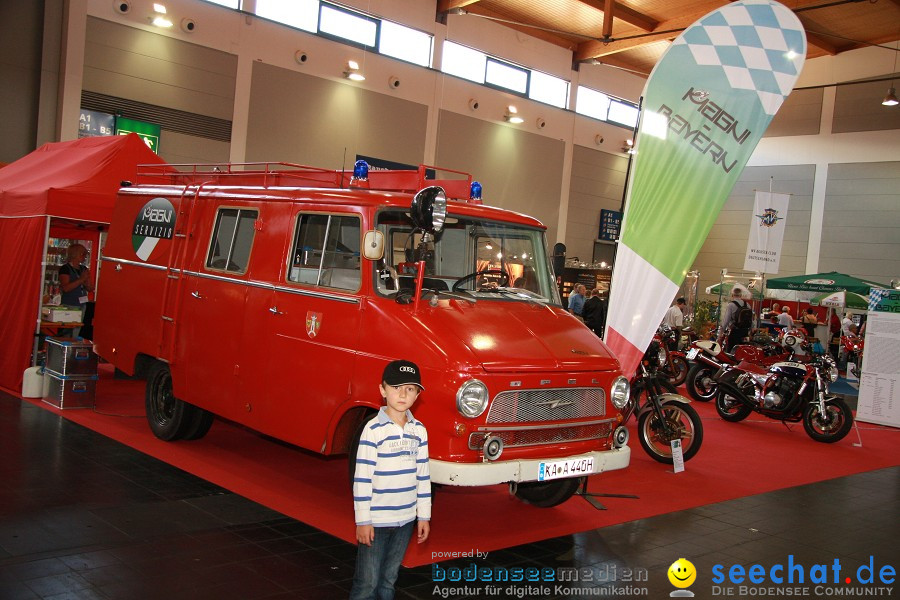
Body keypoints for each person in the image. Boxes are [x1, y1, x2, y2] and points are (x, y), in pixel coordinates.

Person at [351, 360, 431, 600]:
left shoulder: (420, 430)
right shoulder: (373, 430)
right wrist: (363, 520)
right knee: (367, 583)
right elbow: (362, 478)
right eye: (396, 387)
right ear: (382, 390)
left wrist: (423, 515)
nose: (402, 394)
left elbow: (423, 475)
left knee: (388, 581)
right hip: (376, 521)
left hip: (406, 520)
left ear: (417, 394)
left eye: (410, 388)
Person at [57, 243, 94, 337]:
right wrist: (81, 279)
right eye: (83, 254)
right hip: (69, 304)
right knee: (67, 331)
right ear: (75, 254)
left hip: (82, 304)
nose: (84, 257)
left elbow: (90, 288)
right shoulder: (65, 269)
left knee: (78, 330)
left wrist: (87, 282)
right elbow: (66, 288)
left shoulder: (83, 269)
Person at [719, 287, 751, 351]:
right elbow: (752, 319)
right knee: (744, 350)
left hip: (734, 332)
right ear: (741, 295)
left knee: (731, 351)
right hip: (745, 332)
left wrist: (721, 332)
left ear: (732, 295)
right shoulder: (747, 305)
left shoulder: (731, 305)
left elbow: (726, 320)